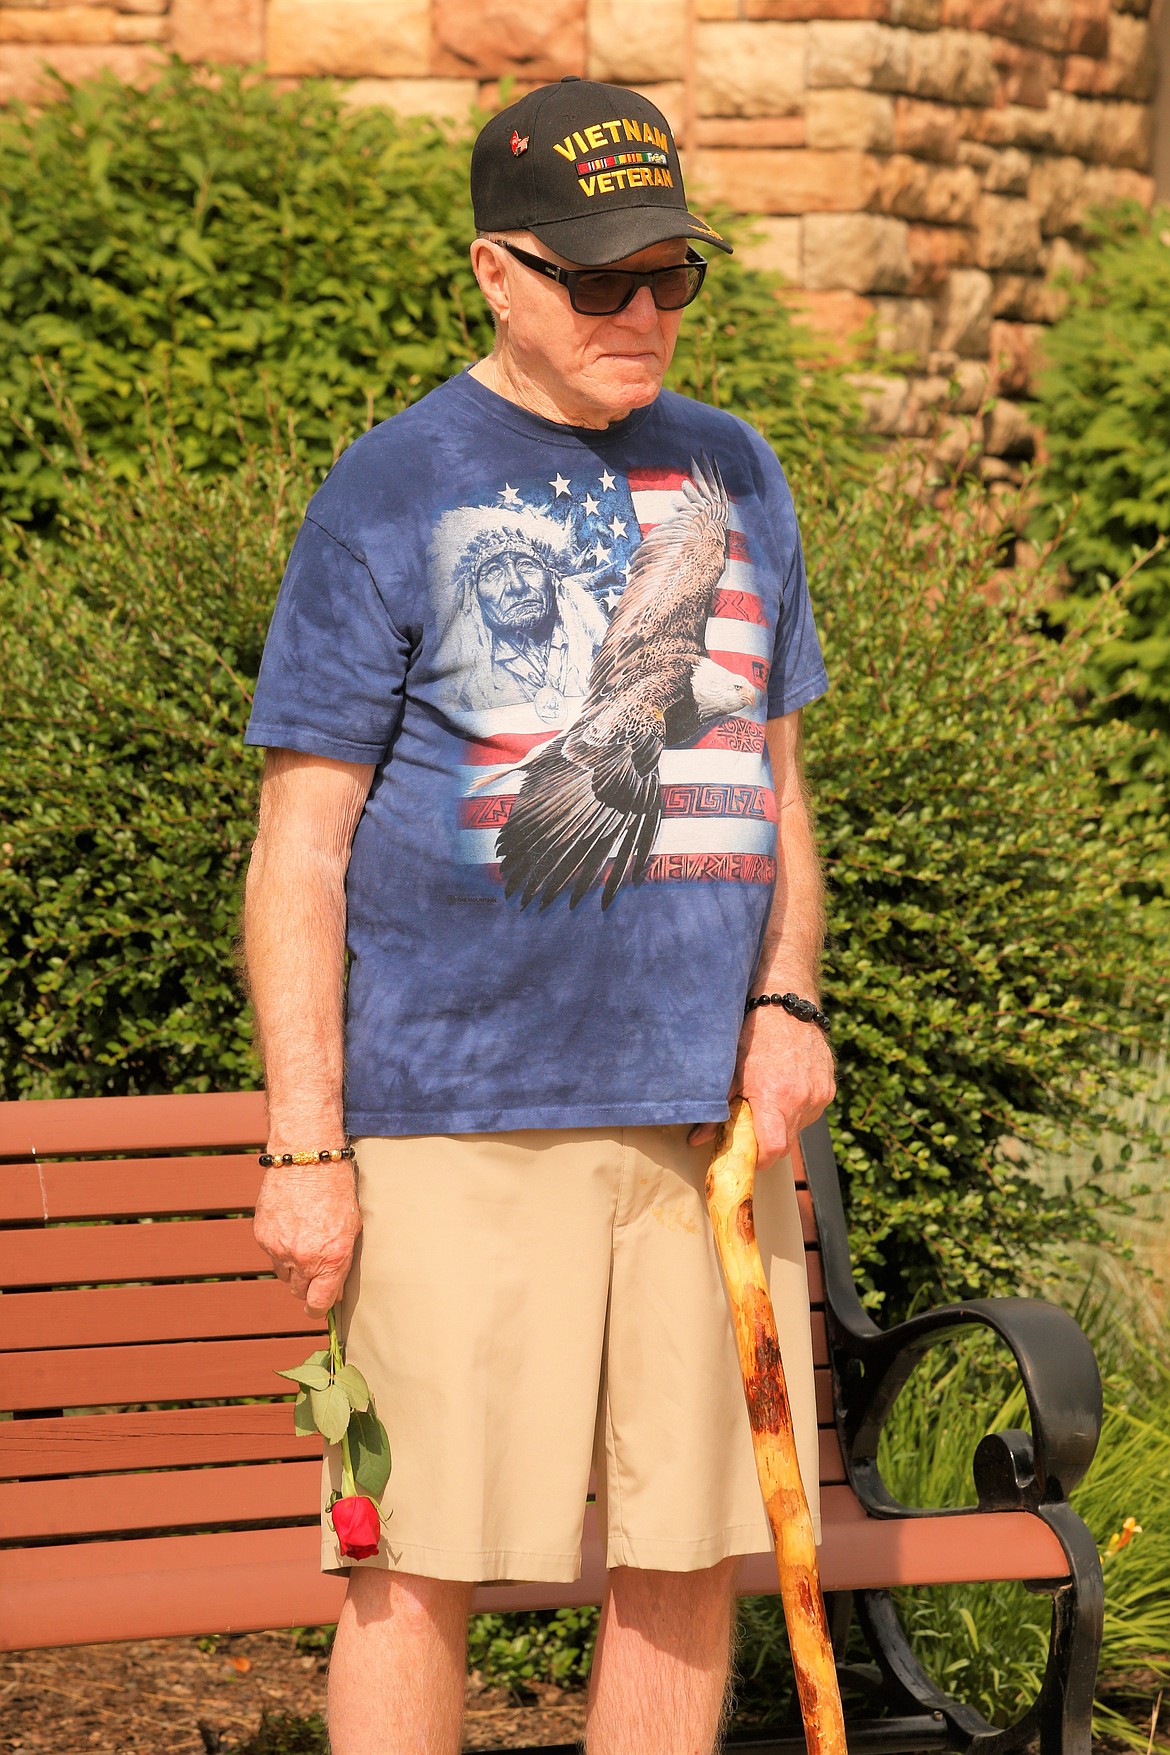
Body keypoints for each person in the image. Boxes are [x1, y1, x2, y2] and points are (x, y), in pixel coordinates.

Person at [243, 75, 836, 1755]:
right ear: (496, 270)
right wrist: (307, 1147)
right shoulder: (395, 483)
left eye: (671, 278)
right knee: (416, 1559)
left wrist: (783, 1004)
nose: (641, 315)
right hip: (458, 1117)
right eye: (599, 282)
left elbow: (778, 782)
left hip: (704, 1124)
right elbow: (300, 844)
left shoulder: (736, 469)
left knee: (687, 1555)